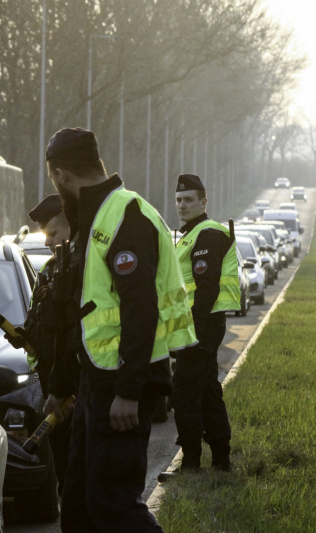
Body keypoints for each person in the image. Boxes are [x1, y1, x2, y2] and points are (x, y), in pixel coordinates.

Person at [43, 128, 196, 533]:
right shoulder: (89, 220)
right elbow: (79, 311)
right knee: (77, 504)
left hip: (122, 386)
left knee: (112, 504)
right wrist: (60, 386)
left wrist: (128, 391)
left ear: (62, 176)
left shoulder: (126, 215)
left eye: (54, 181)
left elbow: (140, 310)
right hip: (94, 383)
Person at [161, 174, 237, 478]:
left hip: (200, 325)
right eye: (179, 200)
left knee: (184, 392)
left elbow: (205, 291)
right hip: (197, 326)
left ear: (204, 202)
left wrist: (189, 331)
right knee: (206, 390)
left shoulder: (207, 234)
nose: (182, 205)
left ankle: (190, 462)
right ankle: (221, 460)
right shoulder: (191, 234)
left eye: (189, 200)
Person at [6, 193, 76, 492]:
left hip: (78, 394)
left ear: (74, 227)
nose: (47, 242)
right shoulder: (49, 270)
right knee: (64, 477)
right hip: (53, 391)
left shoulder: (86, 268)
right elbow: (43, 323)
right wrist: (25, 338)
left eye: (53, 234)